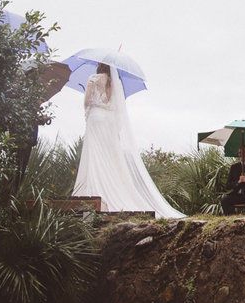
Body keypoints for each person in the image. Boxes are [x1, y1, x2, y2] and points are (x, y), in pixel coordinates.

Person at [73, 62, 183, 217]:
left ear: (99, 66)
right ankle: (109, 188)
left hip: (96, 118)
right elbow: (114, 107)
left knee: (94, 155)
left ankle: (95, 189)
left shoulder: (93, 79)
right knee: (107, 156)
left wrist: (90, 107)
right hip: (108, 121)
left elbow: (86, 102)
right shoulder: (113, 84)